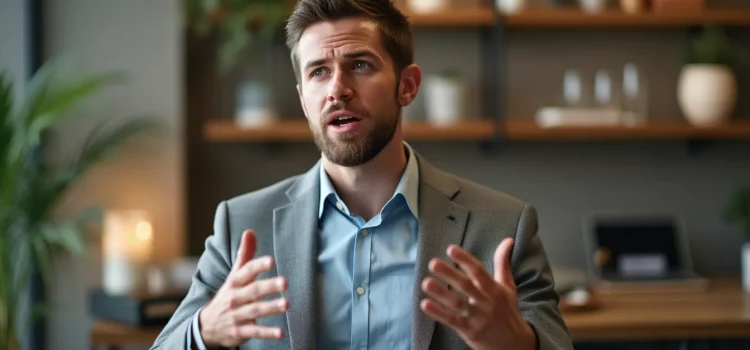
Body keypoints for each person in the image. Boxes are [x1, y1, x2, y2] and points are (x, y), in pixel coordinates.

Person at [151, 0, 573, 349]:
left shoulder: (502, 227)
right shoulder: (241, 225)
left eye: (360, 65)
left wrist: (520, 345)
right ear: (303, 99)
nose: (337, 89)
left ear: (407, 86)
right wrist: (204, 332)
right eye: (318, 72)